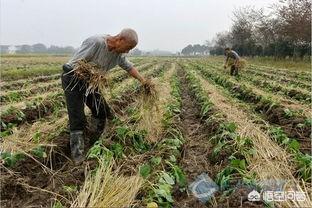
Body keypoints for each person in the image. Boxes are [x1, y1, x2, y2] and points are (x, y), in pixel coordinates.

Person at [61, 28, 146, 164]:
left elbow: (129, 67)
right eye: (128, 47)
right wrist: (90, 75)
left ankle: (94, 141)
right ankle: (77, 155)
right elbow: (76, 64)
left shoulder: (118, 54)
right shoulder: (96, 42)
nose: (128, 51)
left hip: (90, 81)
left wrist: (144, 81)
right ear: (120, 40)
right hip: (73, 78)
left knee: (101, 110)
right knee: (77, 117)